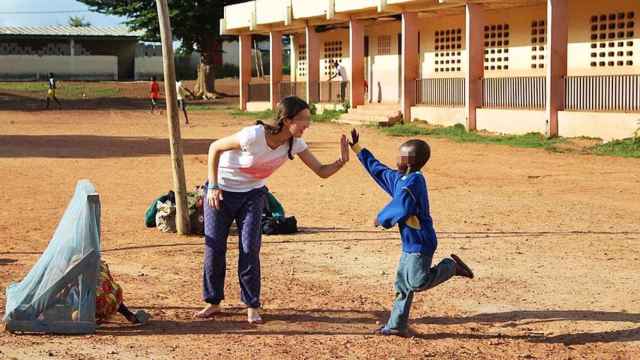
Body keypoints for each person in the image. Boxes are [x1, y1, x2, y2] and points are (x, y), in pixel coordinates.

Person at [195, 96, 350, 324]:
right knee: (215, 248)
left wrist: (341, 160)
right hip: (222, 191)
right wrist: (213, 185)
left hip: (253, 195)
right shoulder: (254, 135)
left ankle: (251, 305)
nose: (308, 124)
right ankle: (213, 302)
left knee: (250, 248)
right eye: (304, 119)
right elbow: (214, 148)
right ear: (287, 120)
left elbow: (321, 171)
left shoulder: (295, 143)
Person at [348, 129, 474, 337]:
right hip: (410, 243)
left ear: (408, 161)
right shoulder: (402, 178)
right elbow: (378, 170)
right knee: (402, 284)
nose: (395, 159)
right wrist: (358, 149)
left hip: (421, 242)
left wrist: (381, 218)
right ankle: (396, 325)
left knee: (417, 282)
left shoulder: (414, 182)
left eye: (399, 156)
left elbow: (403, 205)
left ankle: (451, 267)